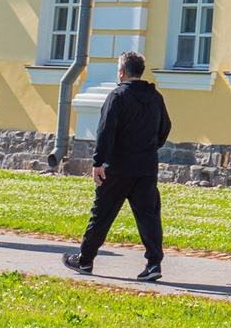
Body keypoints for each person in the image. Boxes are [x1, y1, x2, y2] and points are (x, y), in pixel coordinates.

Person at [61, 50, 169, 282]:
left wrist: (98, 162)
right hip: (146, 166)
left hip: (118, 166)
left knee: (101, 214)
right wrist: (150, 146)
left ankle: (85, 260)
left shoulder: (117, 96)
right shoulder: (155, 97)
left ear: (121, 72)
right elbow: (165, 128)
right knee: (149, 216)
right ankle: (153, 264)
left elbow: (105, 131)